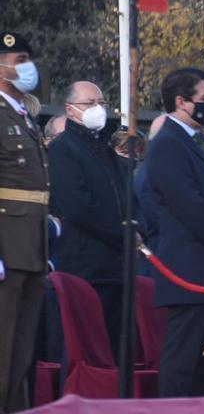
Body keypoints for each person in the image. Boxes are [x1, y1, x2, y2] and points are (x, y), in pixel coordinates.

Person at [140, 68, 204, 397]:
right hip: (190, 268)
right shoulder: (168, 143)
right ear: (181, 102)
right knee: (182, 360)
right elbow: (190, 205)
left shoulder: (201, 141)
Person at [48, 80, 127, 354]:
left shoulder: (104, 149)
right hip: (86, 266)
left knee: (116, 347)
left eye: (101, 103)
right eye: (89, 103)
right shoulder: (63, 148)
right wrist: (120, 233)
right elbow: (77, 206)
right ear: (71, 110)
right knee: (88, 348)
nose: (98, 109)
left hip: (115, 266)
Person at [0, 31, 50, 413]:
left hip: (30, 246)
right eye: (18, 61)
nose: (25, 67)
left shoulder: (24, 116)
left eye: (27, 59)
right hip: (6, 245)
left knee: (20, 350)